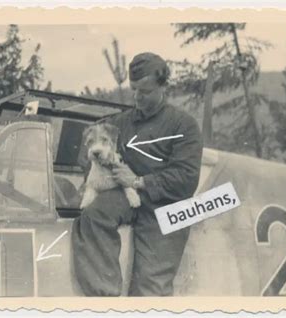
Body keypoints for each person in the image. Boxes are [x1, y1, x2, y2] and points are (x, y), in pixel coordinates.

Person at [72, 52, 203, 296]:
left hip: (166, 206)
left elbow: (186, 178)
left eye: (145, 91)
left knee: (150, 288)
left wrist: (138, 180)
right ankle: (104, 300)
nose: (137, 97)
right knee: (93, 215)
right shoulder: (119, 123)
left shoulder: (183, 125)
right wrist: (96, 157)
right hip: (126, 196)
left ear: (163, 86)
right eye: (134, 90)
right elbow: (87, 154)